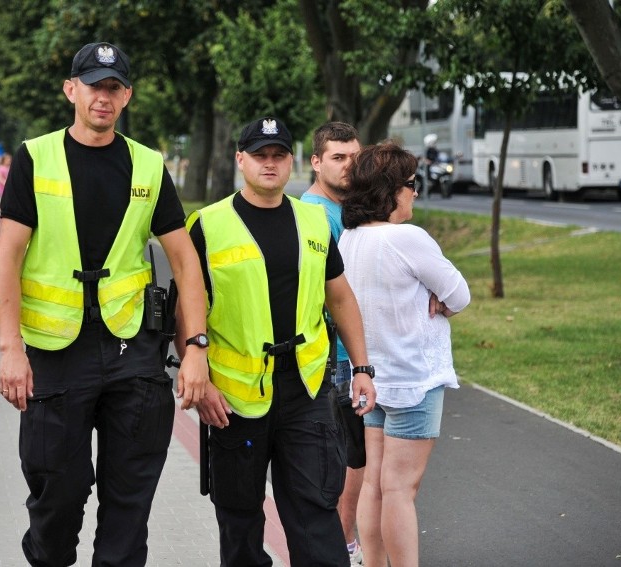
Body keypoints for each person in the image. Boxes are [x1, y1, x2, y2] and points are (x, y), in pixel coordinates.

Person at [0, 41, 210, 566]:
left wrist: (197, 347)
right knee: (58, 499)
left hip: (131, 351)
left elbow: (184, 260)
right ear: (72, 90)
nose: (103, 98)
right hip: (55, 352)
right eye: (93, 86)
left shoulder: (148, 165)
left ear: (127, 96)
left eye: (114, 88)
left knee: (129, 506)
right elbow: (7, 256)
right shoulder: (34, 157)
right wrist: (9, 349)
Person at [182, 116, 376, 567]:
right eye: (259, 155)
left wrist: (363, 369)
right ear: (241, 159)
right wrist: (204, 381)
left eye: (278, 155)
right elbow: (186, 313)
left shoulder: (313, 220)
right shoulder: (207, 225)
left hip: (305, 392)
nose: (269, 163)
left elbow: (341, 297)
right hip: (233, 400)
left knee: (315, 515)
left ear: (292, 162)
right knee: (240, 523)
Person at [338, 142, 470, 567]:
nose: (415, 192)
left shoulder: (351, 240)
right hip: (414, 379)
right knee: (400, 490)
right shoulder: (408, 238)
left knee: (375, 485)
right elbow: (460, 295)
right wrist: (440, 297)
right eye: (412, 185)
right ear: (393, 190)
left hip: (373, 380)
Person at [299, 120, 365, 565]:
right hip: (337, 358)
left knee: (357, 460)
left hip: (356, 356)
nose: (349, 167)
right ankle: (344, 550)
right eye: (338, 158)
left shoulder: (351, 210)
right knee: (351, 463)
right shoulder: (315, 215)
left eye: (355, 158)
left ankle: (351, 545)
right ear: (316, 162)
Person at [0, 152, 11, 216]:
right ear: (3, 160)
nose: (9, 160)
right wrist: (7, 183)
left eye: (10, 159)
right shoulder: (0, 168)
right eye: (7, 159)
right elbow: (0, 178)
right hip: (1, 189)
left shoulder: (10, 168)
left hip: (9, 189)